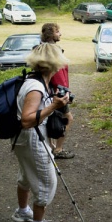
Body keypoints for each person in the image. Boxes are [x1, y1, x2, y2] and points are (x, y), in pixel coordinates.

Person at [10, 43, 70, 222]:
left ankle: (22, 212)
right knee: (46, 181)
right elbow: (27, 120)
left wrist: (54, 102)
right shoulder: (36, 87)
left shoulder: (33, 80)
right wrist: (54, 105)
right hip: (31, 138)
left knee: (27, 175)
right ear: (54, 63)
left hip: (23, 140)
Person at [40, 22, 75, 159]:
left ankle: (50, 147)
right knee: (67, 118)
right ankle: (58, 149)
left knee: (49, 119)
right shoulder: (52, 51)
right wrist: (65, 92)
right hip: (57, 92)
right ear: (51, 34)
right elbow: (58, 74)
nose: (60, 34)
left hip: (51, 91)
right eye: (57, 31)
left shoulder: (45, 48)